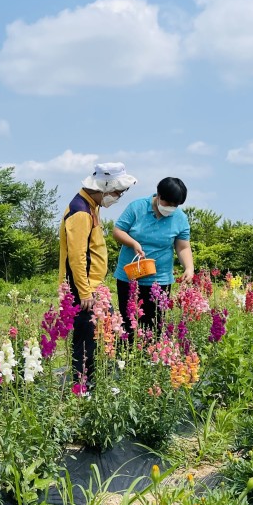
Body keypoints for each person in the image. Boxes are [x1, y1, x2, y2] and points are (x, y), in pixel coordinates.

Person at [60, 162, 138, 385]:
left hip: (92, 286)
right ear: (103, 186)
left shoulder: (91, 206)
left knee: (99, 334)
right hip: (82, 288)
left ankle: (91, 382)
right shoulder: (80, 212)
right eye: (116, 192)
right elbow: (77, 256)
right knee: (86, 339)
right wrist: (84, 292)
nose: (117, 197)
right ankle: (83, 387)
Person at [112, 176, 194, 341]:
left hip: (160, 279)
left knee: (154, 324)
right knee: (128, 322)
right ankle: (125, 362)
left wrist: (189, 268)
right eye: (168, 203)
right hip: (129, 276)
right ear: (158, 195)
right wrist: (133, 243)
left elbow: (183, 246)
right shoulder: (138, 207)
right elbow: (118, 231)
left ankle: (150, 360)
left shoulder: (180, 218)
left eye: (175, 205)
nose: (171, 208)